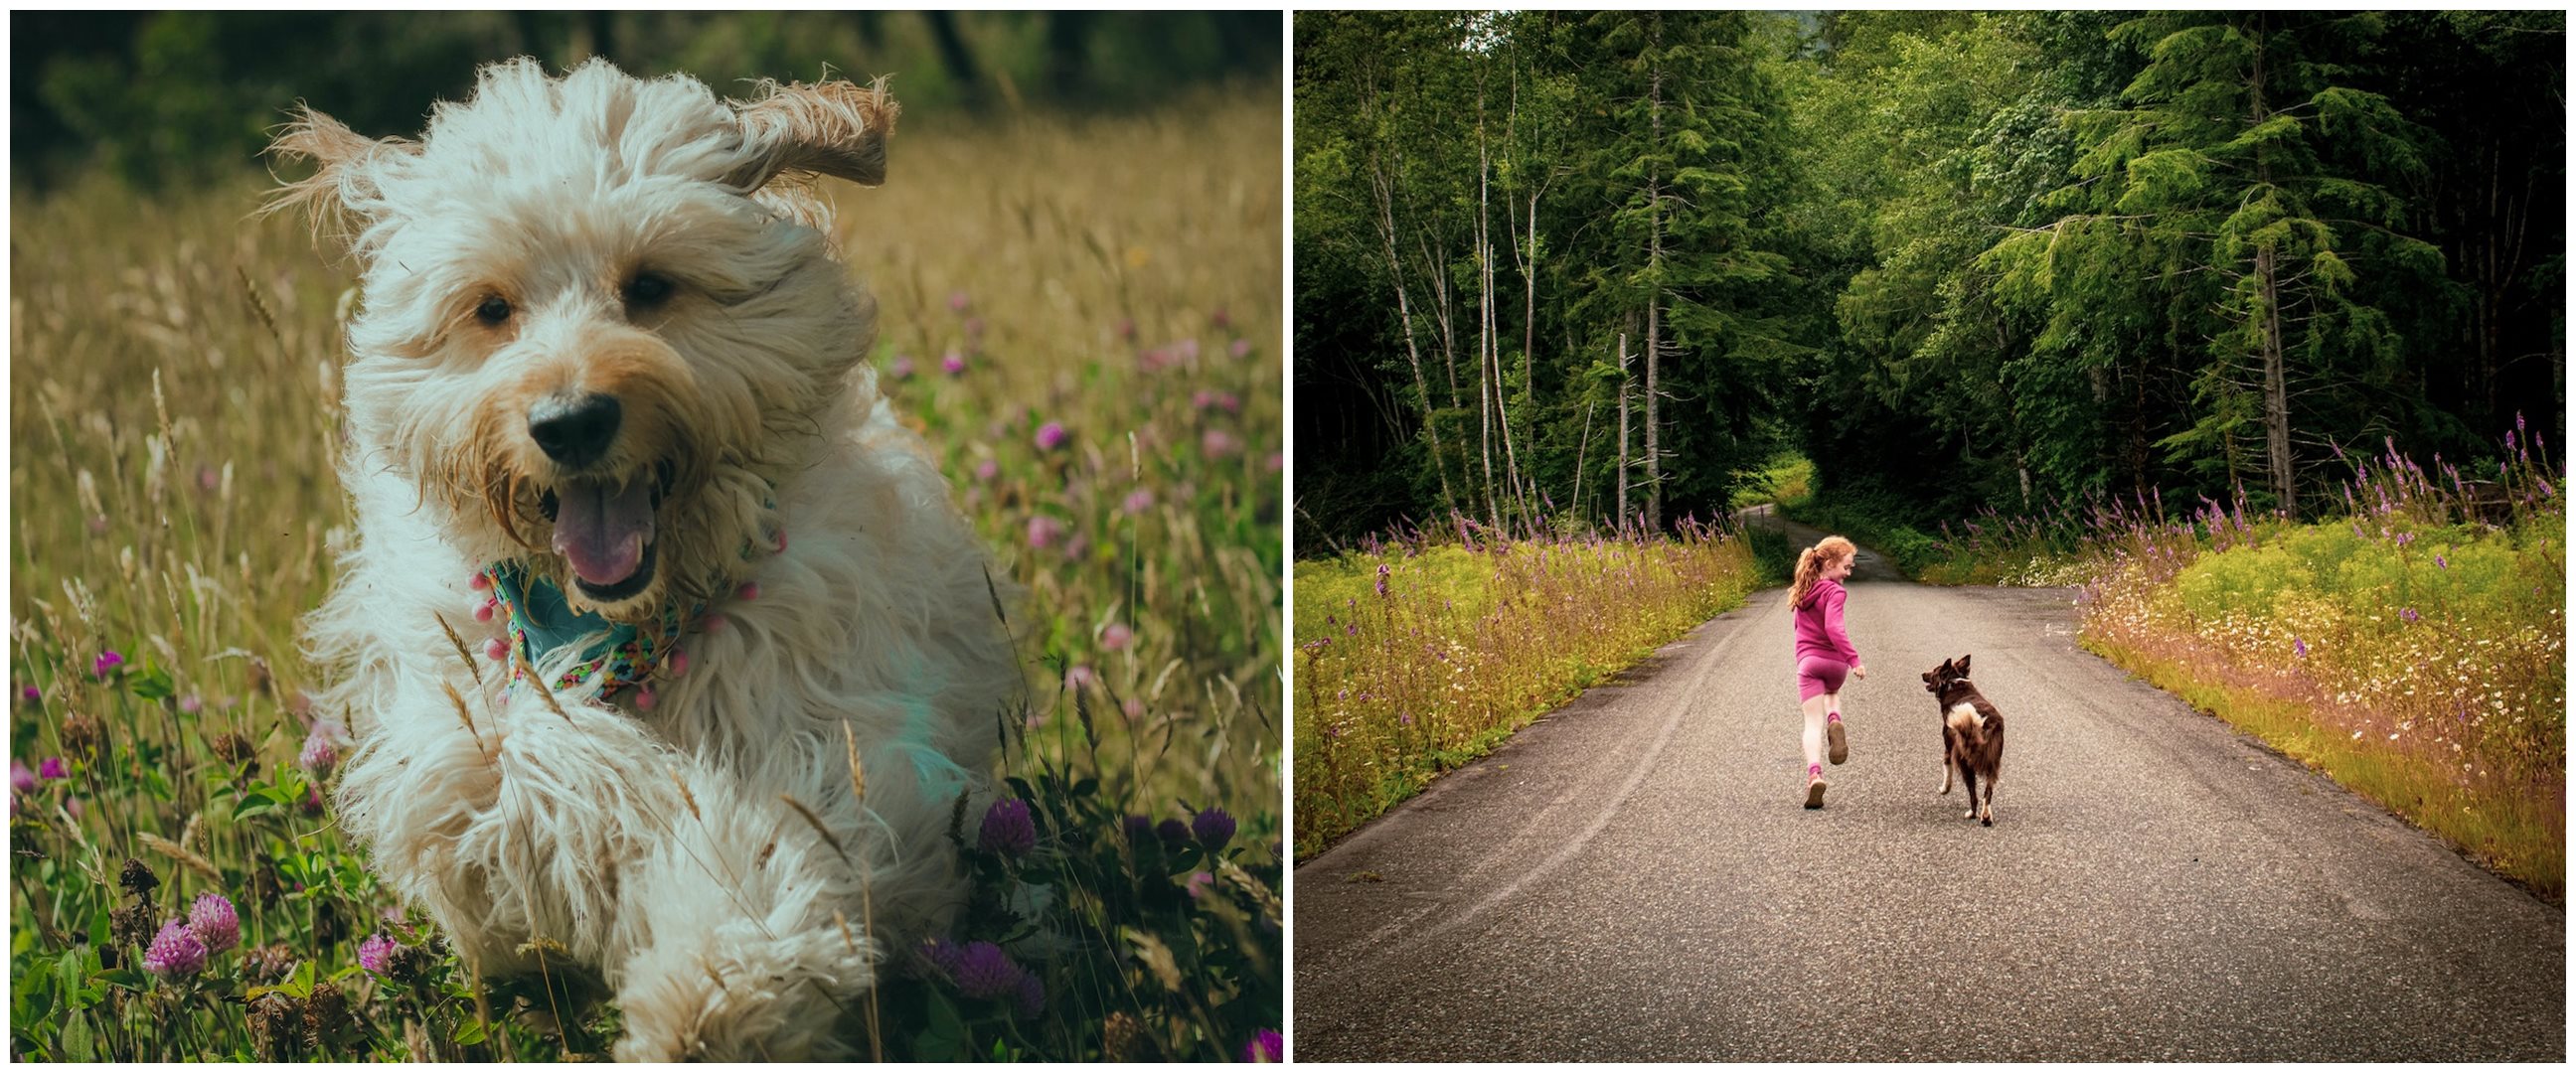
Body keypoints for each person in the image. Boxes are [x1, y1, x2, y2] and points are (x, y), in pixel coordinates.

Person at [1788, 536, 1865, 808]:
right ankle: (1835, 716)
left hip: (1808, 663)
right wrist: (1853, 659)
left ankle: (1814, 776)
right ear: (1829, 564)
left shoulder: (1802, 591)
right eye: (1846, 567)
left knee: (1811, 724)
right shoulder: (1835, 593)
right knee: (1832, 693)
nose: (1848, 572)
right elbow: (1834, 629)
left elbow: (1798, 632)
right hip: (1834, 664)